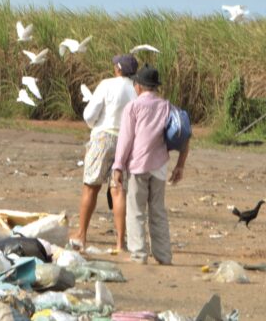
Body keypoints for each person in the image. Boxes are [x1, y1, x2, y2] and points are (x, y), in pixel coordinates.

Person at [112, 64, 189, 265]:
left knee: (136, 211)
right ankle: (164, 256)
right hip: (160, 167)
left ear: (138, 86)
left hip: (138, 165)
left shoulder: (134, 107)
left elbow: (125, 139)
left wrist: (118, 167)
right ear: (155, 87)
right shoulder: (167, 106)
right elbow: (185, 133)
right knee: (158, 211)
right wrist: (180, 165)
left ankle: (138, 254)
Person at [71, 54, 138, 253]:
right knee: (118, 190)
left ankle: (82, 234)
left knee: (91, 187)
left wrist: (94, 126)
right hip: (125, 141)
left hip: (103, 136)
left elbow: (90, 114)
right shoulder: (136, 89)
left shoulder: (107, 84)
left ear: (118, 68)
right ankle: (120, 243)